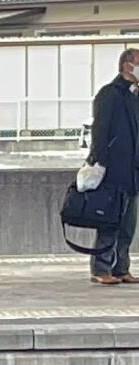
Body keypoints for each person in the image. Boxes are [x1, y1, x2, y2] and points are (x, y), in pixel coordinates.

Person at [88, 48, 139, 285]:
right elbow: (100, 130)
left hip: (133, 170)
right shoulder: (110, 94)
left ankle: (121, 268)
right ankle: (101, 268)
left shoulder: (134, 95)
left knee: (128, 223)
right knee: (110, 221)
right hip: (114, 169)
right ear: (128, 65)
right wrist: (100, 161)